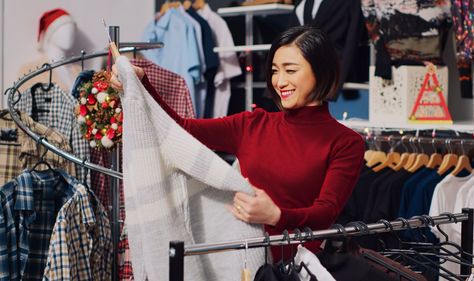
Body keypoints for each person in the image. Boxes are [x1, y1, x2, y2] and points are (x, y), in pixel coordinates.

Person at [111, 26, 365, 261]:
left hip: (298, 267)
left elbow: (326, 212)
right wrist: (141, 84)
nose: (279, 81)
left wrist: (277, 216)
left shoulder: (346, 143)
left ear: (320, 71)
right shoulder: (253, 124)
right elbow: (182, 129)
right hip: (243, 261)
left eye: (290, 70)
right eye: (275, 70)